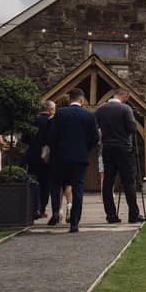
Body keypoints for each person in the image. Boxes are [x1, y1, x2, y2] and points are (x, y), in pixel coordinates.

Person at [47, 89, 100, 233]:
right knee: (77, 188)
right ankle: (75, 222)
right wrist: (84, 148)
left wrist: (56, 150)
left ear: (70, 99)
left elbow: (52, 137)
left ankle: (56, 212)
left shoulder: (60, 113)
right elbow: (95, 138)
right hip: (79, 157)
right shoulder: (89, 115)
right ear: (82, 100)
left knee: (56, 184)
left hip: (60, 156)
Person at [95, 88, 143, 224]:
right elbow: (133, 128)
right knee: (129, 182)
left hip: (107, 148)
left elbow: (95, 128)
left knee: (108, 182)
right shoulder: (125, 109)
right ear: (125, 96)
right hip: (123, 148)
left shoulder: (100, 109)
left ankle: (111, 215)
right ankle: (133, 214)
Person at [23, 101, 58, 222]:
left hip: (32, 155)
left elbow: (24, 139)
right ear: (51, 109)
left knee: (33, 181)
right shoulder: (52, 122)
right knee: (46, 184)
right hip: (47, 156)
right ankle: (42, 209)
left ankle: (34, 208)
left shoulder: (31, 121)